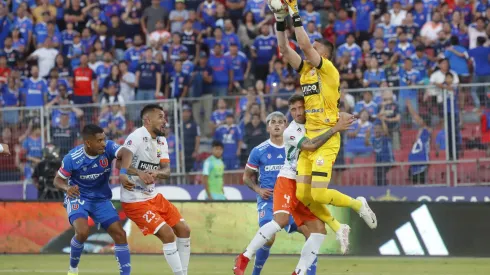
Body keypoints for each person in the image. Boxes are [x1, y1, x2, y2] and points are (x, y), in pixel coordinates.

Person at [275, 0, 377, 232]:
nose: (310, 48)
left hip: (328, 138)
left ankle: (356, 204)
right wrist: (280, 20)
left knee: (319, 192)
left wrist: (295, 11)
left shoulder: (329, 70)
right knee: (303, 194)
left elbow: (303, 44)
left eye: (316, 47)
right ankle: (338, 226)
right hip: (311, 139)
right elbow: (284, 49)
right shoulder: (306, 71)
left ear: (325, 54)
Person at [233, 97, 355, 275]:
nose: (298, 112)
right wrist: (336, 128)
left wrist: (344, 116)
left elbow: (337, 116)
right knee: (279, 223)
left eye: (301, 108)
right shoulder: (291, 131)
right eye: (293, 109)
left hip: (303, 185)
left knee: (319, 230)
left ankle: (299, 272)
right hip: (288, 180)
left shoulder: (316, 122)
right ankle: (245, 257)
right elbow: (311, 146)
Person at [118, 104, 191, 275]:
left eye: (164, 117)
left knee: (184, 229)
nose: (164, 121)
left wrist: (157, 172)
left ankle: (184, 272)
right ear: (148, 120)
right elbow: (121, 164)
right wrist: (139, 173)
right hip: (134, 200)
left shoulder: (162, 141)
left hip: (153, 196)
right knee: (167, 234)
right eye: (160, 117)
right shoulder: (136, 137)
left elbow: (167, 171)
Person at [53, 124, 131, 275]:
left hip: (100, 199)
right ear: (88, 143)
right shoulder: (72, 158)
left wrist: (123, 172)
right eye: (99, 140)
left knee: (120, 234)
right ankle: (73, 269)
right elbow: (57, 180)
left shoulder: (108, 148)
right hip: (78, 196)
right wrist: (67, 188)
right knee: (82, 232)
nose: (103, 143)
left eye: (104, 139)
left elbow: (126, 152)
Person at [365, 120, 394, 186]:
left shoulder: (385, 138)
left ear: (382, 130)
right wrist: (367, 134)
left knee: (381, 172)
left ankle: (383, 188)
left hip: (387, 161)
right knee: (377, 174)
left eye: (379, 128)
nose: (377, 130)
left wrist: (383, 120)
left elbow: (386, 132)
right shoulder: (373, 139)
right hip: (379, 162)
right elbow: (366, 143)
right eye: (375, 128)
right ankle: (379, 188)